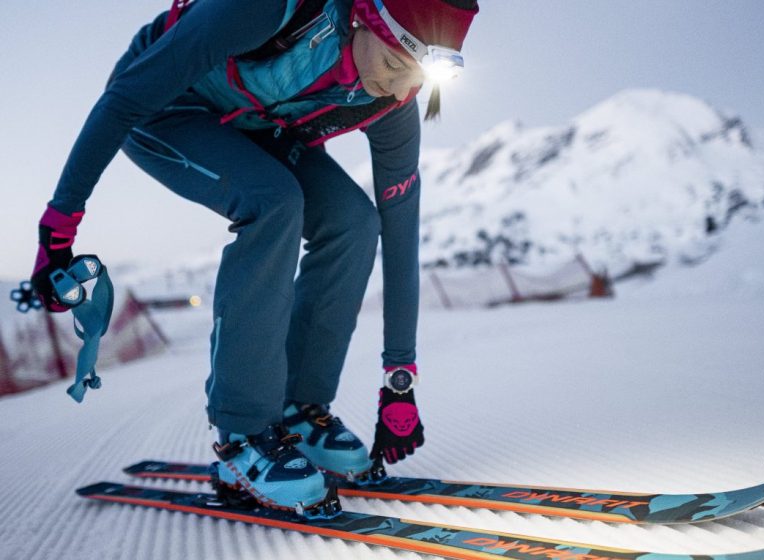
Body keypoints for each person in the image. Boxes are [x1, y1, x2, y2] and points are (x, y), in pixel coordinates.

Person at [31, 0, 479, 513]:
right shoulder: (263, 9)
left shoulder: (395, 100)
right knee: (273, 203)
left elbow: (401, 233)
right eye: (397, 65)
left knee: (355, 223)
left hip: (254, 125)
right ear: (361, 18)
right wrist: (58, 228)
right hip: (163, 105)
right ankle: (240, 436)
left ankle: (300, 410)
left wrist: (399, 379)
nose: (403, 91)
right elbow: (124, 98)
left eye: (419, 77)